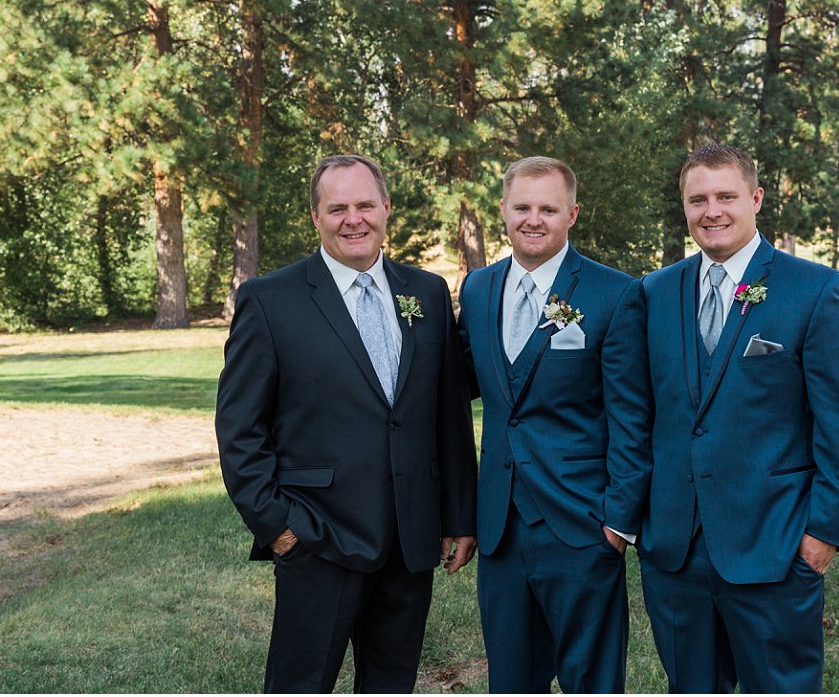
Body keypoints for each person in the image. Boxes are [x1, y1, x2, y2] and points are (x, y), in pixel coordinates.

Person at [605, 143, 839, 694]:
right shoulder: (653, 293)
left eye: (726, 196)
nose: (712, 211)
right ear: (684, 208)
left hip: (773, 543)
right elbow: (637, 415)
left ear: (755, 199)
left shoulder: (814, 290)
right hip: (673, 551)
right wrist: (631, 520)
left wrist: (823, 535)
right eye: (697, 199)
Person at [216, 154, 478, 693]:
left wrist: (457, 515)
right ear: (316, 217)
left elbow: (447, 414)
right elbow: (239, 429)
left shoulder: (425, 292)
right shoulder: (271, 300)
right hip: (318, 536)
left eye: (364, 205)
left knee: (391, 684)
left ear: (386, 208)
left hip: (410, 540)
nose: (353, 219)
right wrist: (280, 528)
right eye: (337, 208)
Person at [457, 157, 635, 692]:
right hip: (502, 529)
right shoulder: (478, 289)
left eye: (548, 209)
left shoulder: (613, 294)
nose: (534, 220)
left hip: (583, 526)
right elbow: (461, 387)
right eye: (523, 207)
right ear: (505, 212)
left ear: (572, 214)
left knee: (591, 680)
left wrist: (617, 521)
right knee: (510, 681)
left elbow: (632, 416)